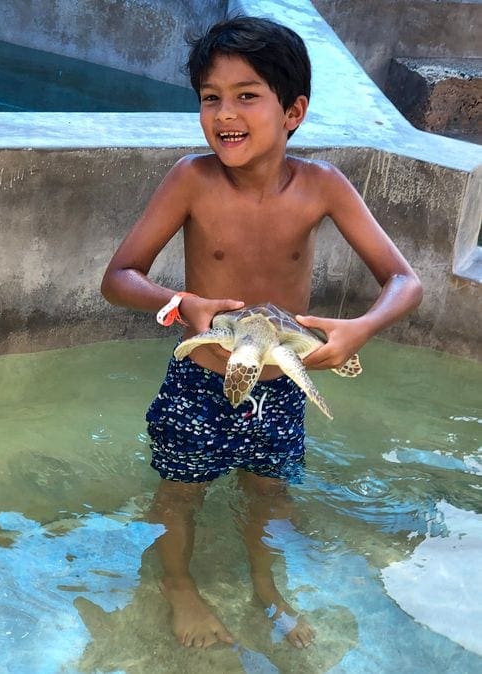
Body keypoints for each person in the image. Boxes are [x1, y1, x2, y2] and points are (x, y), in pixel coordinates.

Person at [101, 16, 422, 651]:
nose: (225, 112)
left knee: (269, 496)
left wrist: (359, 329)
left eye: (247, 95)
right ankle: (178, 588)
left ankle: (268, 591)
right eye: (210, 97)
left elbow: (404, 281)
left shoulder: (321, 187)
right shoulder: (190, 179)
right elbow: (118, 276)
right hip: (202, 379)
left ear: (293, 110)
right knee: (179, 495)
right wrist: (179, 303)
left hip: (280, 388)